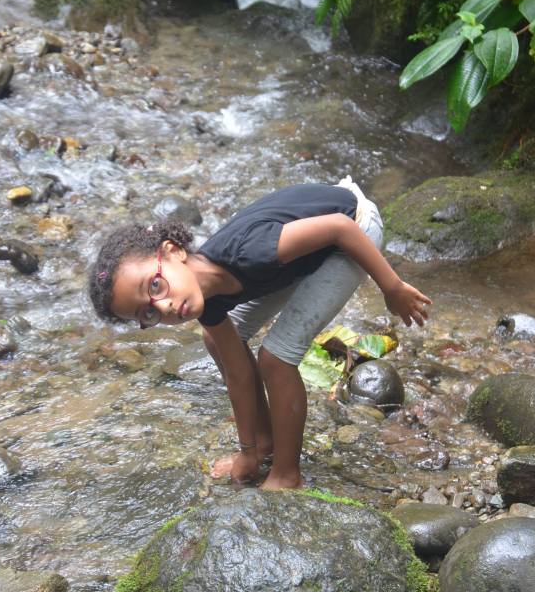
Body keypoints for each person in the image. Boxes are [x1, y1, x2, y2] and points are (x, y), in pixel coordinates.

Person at [89, 179, 432, 490]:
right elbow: (237, 374)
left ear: (173, 252)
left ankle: (286, 474)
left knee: (276, 357)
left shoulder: (250, 250)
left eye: (155, 286)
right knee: (216, 340)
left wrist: (392, 287)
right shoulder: (203, 297)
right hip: (308, 252)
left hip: (354, 231)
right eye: (148, 313)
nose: (163, 307)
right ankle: (265, 445)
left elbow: (341, 228)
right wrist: (247, 451)